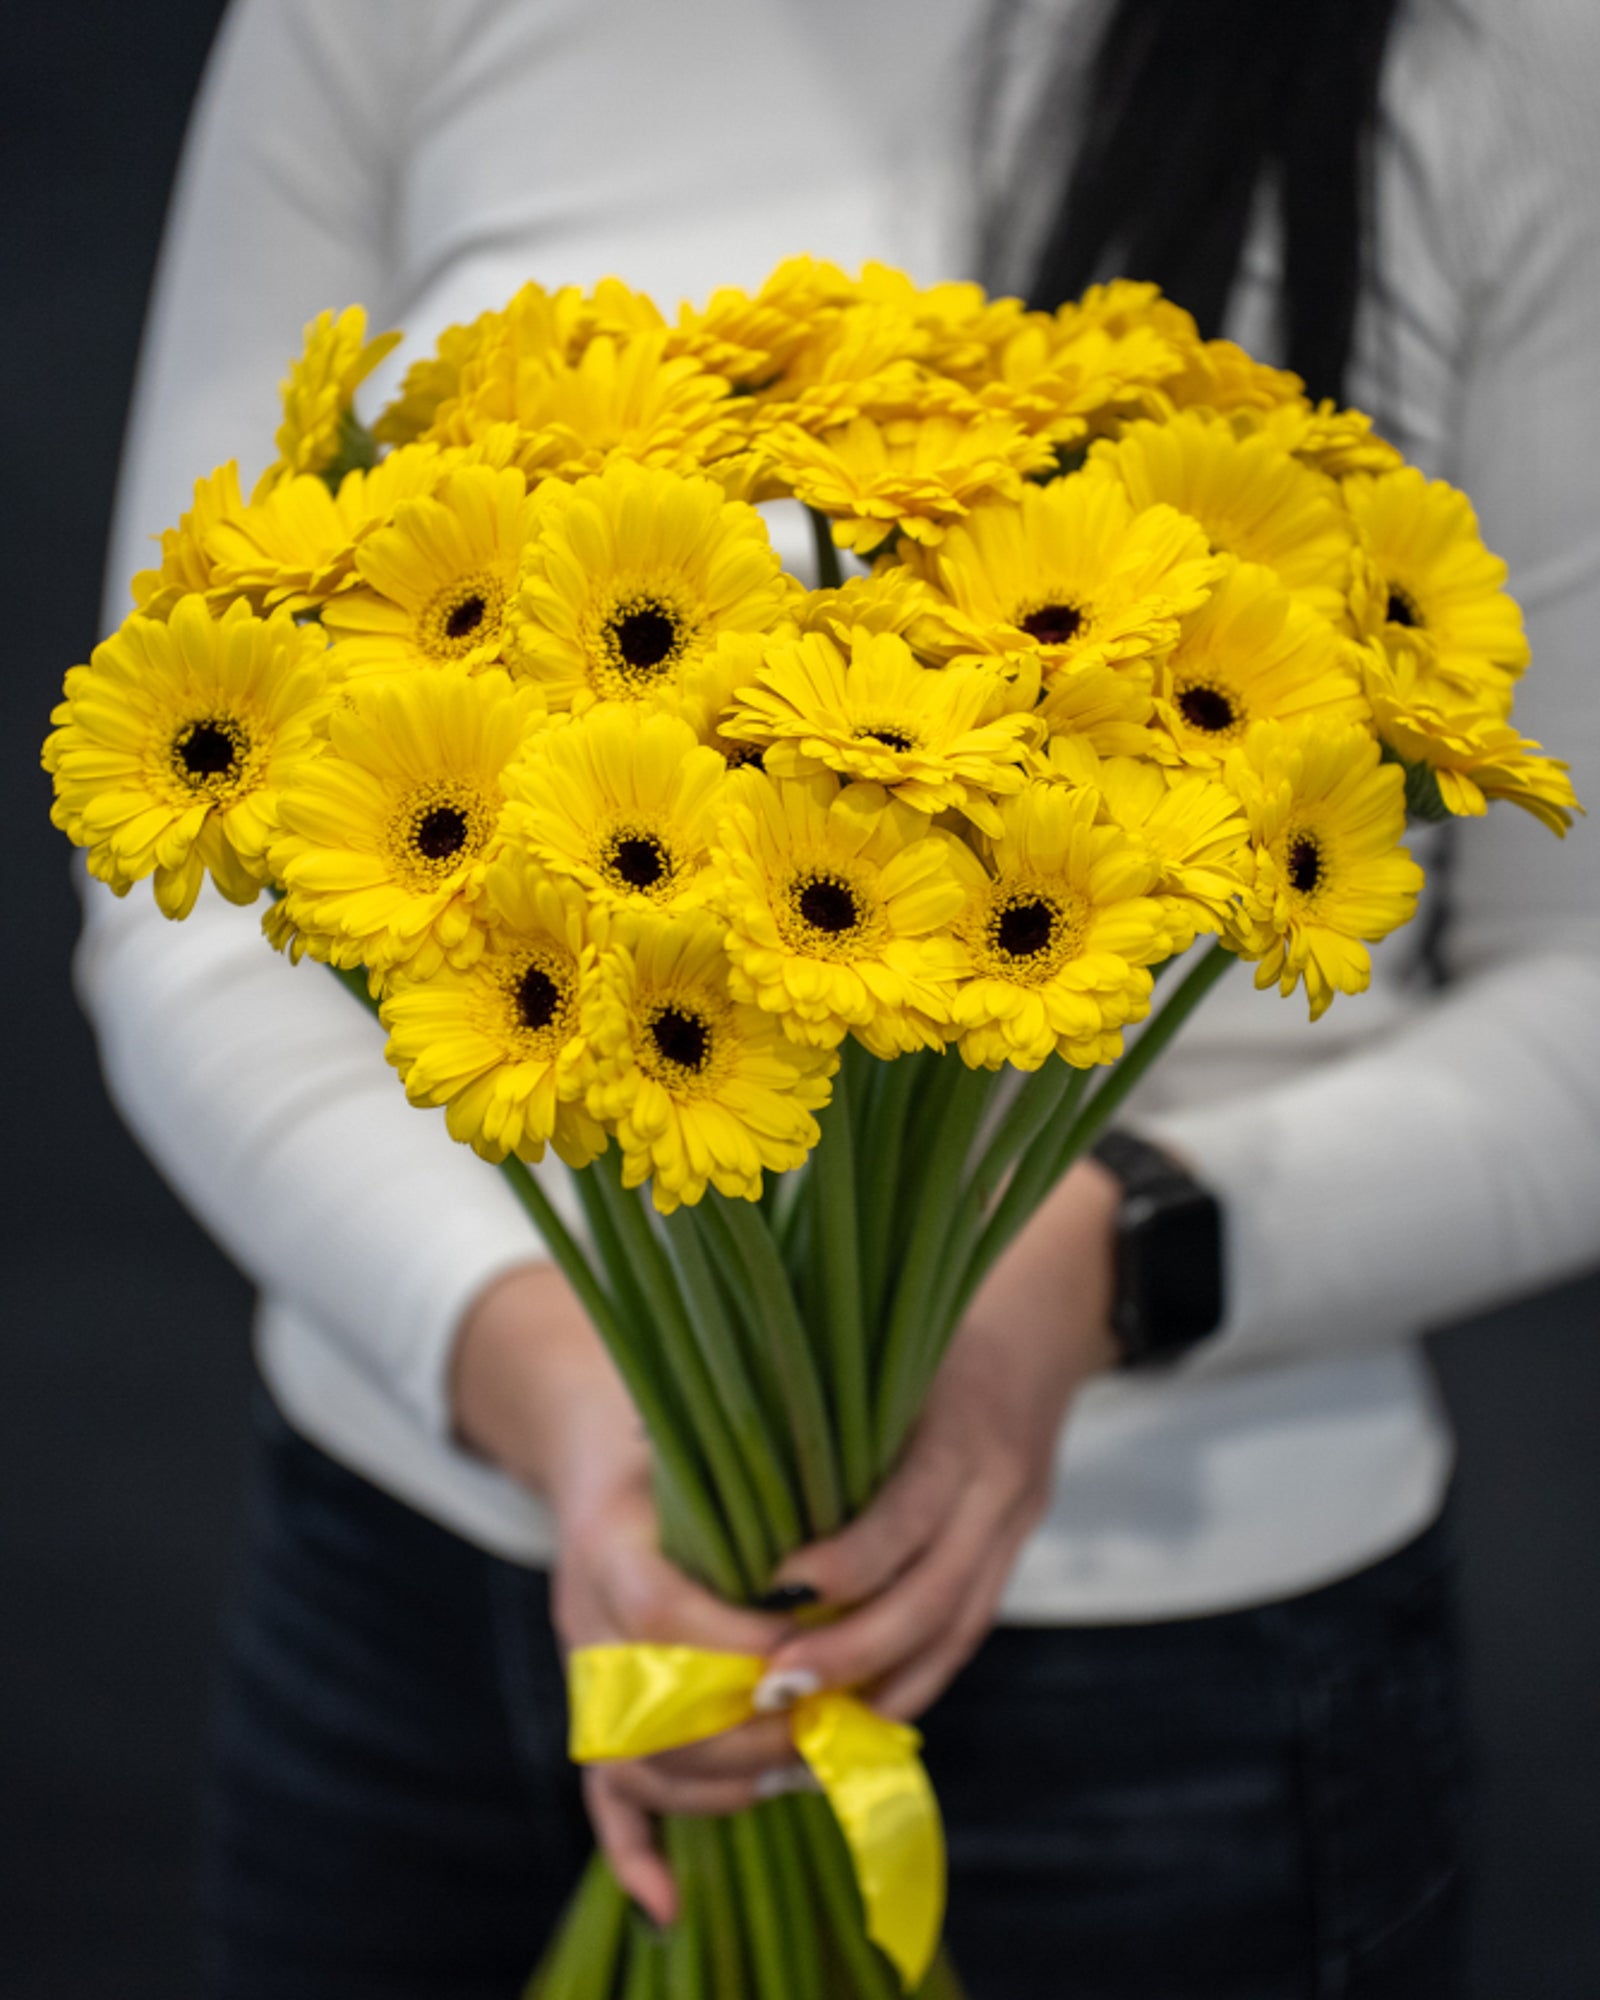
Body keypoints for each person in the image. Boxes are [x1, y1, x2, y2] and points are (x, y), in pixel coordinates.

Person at [80, 1, 1600, 1994]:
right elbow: (178, 874)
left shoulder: (1500, 52)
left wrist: (1099, 1251)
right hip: (425, 1613)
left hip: (1168, 1697)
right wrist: (558, 1385)